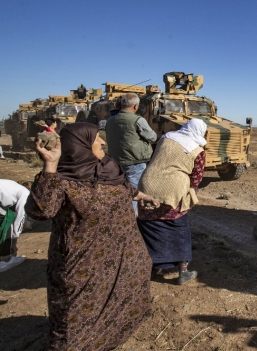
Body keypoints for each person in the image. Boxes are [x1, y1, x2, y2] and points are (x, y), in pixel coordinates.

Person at [25, 122, 160, 350]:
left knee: (126, 294)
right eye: (97, 138)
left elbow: (123, 187)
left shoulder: (106, 166)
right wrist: (50, 164)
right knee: (77, 314)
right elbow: (41, 211)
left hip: (125, 253)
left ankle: (112, 336)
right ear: (81, 144)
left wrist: (142, 195)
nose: (103, 142)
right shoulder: (61, 179)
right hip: (84, 263)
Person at [137, 119, 207, 285]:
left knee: (150, 224)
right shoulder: (198, 150)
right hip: (174, 190)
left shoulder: (166, 137)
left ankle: (152, 267)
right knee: (178, 226)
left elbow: (154, 157)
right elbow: (196, 177)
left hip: (147, 183)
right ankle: (183, 271)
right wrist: (190, 192)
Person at [105, 93, 157, 214]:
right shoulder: (138, 120)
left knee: (120, 191)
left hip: (115, 162)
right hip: (135, 163)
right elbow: (153, 137)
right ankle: (130, 220)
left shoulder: (110, 120)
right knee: (135, 193)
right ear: (135, 106)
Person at [0, 179, 29, 272]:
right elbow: (19, 219)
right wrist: (14, 243)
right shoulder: (26, 194)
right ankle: (5, 260)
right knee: (7, 222)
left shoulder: (15, 186)